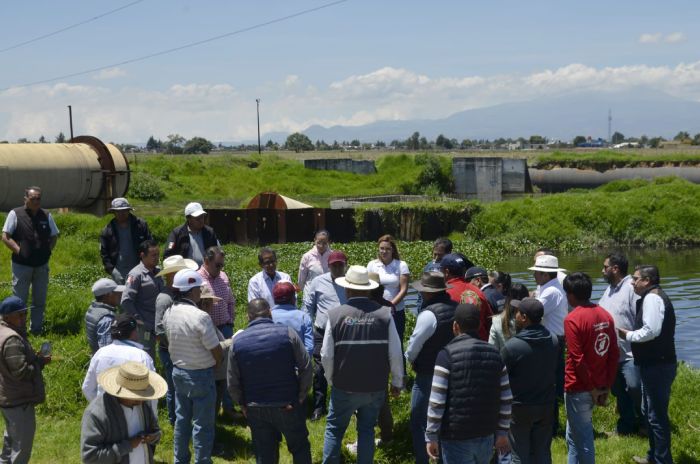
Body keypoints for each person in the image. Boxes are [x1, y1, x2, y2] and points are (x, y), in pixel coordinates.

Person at [320, 265, 404, 464]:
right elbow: (395, 353)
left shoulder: (335, 315)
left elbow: (326, 355)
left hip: (344, 386)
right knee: (366, 430)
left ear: (347, 289)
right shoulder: (385, 315)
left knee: (334, 429)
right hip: (375, 387)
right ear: (368, 289)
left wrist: (331, 379)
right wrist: (397, 381)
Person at [228, 298, 313, 464]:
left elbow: (232, 381)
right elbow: (306, 367)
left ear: (248, 317)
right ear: (270, 313)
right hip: (287, 403)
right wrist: (302, 395)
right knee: (300, 447)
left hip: (255, 406)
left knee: (265, 454)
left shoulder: (237, 342)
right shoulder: (288, 333)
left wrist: (242, 404)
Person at [425, 303, 512, 464]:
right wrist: (502, 432)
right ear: (479, 325)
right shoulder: (495, 354)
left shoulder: (445, 355)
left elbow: (437, 401)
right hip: (486, 434)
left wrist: (431, 435)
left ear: (455, 326)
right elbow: (506, 398)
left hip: (455, 436)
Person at [163, 268, 223, 464]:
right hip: (200, 374)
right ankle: (202, 460)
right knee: (203, 424)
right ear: (191, 291)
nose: (200, 292)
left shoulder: (169, 312)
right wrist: (217, 362)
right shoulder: (200, 316)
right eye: (198, 288)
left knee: (182, 420)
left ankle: (180, 460)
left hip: (179, 371)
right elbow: (215, 350)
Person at [618, 265, 677, 464]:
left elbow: (651, 330)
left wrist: (628, 335)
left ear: (647, 280)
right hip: (653, 364)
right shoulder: (653, 296)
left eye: (636, 279)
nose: (632, 282)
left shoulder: (652, 298)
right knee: (650, 414)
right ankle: (654, 456)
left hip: (657, 366)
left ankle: (662, 460)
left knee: (656, 417)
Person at [563, 272, 619, 464]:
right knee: (573, 435)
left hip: (579, 387)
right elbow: (613, 353)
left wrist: (592, 388)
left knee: (584, 439)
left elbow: (577, 359)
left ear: (570, 295)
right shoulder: (605, 315)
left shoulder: (572, 319)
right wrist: (607, 385)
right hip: (597, 384)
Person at [405, 271, 457, 464]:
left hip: (428, 373)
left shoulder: (428, 314)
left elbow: (413, 347)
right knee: (446, 418)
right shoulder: (457, 307)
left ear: (427, 292)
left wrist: (409, 362)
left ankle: (423, 459)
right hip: (453, 371)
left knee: (419, 419)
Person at [501, 298, 559, 464]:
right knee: (542, 453)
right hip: (546, 405)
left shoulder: (512, 346)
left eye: (518, 313)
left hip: (519, 408)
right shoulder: (553, 340)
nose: (515, 316)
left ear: (524, 317)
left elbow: (500, 377)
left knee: (518, 454)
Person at [80, 361, 166, 464]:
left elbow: (155, 430)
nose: (140, 401)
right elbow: (90, 457)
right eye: (135, 396)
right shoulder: (96, 414)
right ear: (120, 391)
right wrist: (127, 446)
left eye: (142, 395)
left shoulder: (143, 404)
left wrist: (153, 437)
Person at [1, 186, 59, 334]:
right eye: (33, 198)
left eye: (38, 198)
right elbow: (5, 236)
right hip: (22, 265)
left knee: (39, 300)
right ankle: (18, 330)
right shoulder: (16, 213)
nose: (36, 201)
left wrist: (48, 250)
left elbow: (54, 235)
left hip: (41, 265)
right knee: (19, 300)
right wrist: (19, 251)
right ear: (25, 199)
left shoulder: (46, 214)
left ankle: (36, 329)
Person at [0, 296, 50, 464]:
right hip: (18, 401)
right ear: (7, 317)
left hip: (8, 398)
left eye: (24, 314)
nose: (24, 318)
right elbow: (21, 372)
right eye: (19, 315)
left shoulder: (2, 331)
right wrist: (39, 363)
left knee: (10, 444)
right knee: (21, 449)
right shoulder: (12, 339)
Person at [598, 252, 642, 436]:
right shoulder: (609, 289)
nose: (602, 271)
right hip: (613, 354)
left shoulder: (632, 288)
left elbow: (641, 318)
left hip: (631, 353)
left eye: (605, 267)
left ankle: (645, 424)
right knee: (619, 391)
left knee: (634, 388)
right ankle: (626, 426)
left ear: (615, 269)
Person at [302, 250, 348, 421]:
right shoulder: (317, 282)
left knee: (344, 368)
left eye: (340, 265)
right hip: (321, 331)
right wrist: (306, 330)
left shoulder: (351, 282)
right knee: (320, 370)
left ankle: (342, 406)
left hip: (344, 331)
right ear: (328, 266)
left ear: (345, 265)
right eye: (334, 265)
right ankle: (319, 406)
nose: (337, 268)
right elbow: (308, 307)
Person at [153, 254, 199, 426]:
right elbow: (158, 329)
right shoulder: (165, 298)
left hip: (178, 349)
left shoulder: (176, 294)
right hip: (170, 351)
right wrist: (174, 345)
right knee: (174, 388)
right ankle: (174, 420)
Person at [529, 254, 568, 435]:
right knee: (549, 382)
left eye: (537, 271)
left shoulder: (551, 291)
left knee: (548, 383)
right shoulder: (548, 287)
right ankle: (549, 423)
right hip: (554, 339)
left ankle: (550, 425)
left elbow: (534, 311)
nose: (534, 274)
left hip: (553, 341)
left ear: (545, 274)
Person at [82, 313, 156, 403]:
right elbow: (152, 395)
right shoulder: (142, 357)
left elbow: (87, 388)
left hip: (104, 413)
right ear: (133, 333)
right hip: (133, 414)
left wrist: (99, 407)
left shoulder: (100, 353)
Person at [121, 239, 164, 359]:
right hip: (144, 327)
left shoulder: (159, 271)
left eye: (158, 255)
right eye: (153, 255)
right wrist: (138, 320)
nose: (156, 258)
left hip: (158, 323)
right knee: (146, 357)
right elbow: (126, 300)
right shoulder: (135, 275)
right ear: (142, 255)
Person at [366, 234, 410, 348]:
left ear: (393, 250)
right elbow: (367, 288)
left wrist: (390, 306)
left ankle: (400, 366)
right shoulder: (372, 264)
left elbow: (404, 289)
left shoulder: (401, 265)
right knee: (377, 344)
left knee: (397, 344)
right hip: (375, 310)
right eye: (381, 248)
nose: (384, 251)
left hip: (396, 311)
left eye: (387, 249)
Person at [99, 197, 153, 284]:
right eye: (118, 211)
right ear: (113, 212)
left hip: (140, 268)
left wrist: (149, 264)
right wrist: (112, 271)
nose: (121, 213)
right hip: (119, 272)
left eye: (124, 210)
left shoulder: (141, 225)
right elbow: (104, 254)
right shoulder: (107, 230)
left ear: (129, 210)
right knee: (122, 296)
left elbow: (150, 245)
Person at [440, 253, 493, 340]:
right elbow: (489, 320)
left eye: (440, 270)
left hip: (456, 345)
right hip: (481, 343)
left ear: (446, 272)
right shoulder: (478, 291)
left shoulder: (444, 293)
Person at [164, 202, 220, 266]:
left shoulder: (210, 232)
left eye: (202, 217)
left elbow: (216, 253)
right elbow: (168, 254)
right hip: (184, 272)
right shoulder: (177, 233)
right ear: (188, 218)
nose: (201, 220)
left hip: (206, 273)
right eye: (197, 218)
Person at [198, 246, 236, 338]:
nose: (220, 268)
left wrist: (230, 321)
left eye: (222, 265)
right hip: (208, 330)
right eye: (218, 265)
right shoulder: (197, 278)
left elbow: (231, 301)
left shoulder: (223, 276)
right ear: (207, 261)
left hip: (226, 328)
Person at [271, 282, 314, 357]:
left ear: (274, 299)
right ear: (293, 298)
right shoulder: (304, 317)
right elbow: (309, 347)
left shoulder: (268, 316)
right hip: (299, 365)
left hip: (273, 364)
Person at [85, 278, 125, 354]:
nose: (120, 295)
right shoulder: (106, 319)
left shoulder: (92, 308)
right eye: (117, 293)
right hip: (107, 363)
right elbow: (106, 349)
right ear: (108, 295)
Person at [489, 284, 529, 353]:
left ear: (507, 299)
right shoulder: (532, 319)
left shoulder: (497, 321)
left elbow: (492, 348)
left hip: (505, 361)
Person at [298, 229, 332, 295]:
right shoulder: (307, 256)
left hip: (328, 294)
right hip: (310, 293)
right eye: (318, 243)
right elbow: (301, 279)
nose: (321, 246)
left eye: (324, 243)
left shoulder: (333, 256)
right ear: (314, 241)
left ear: (329, 242)